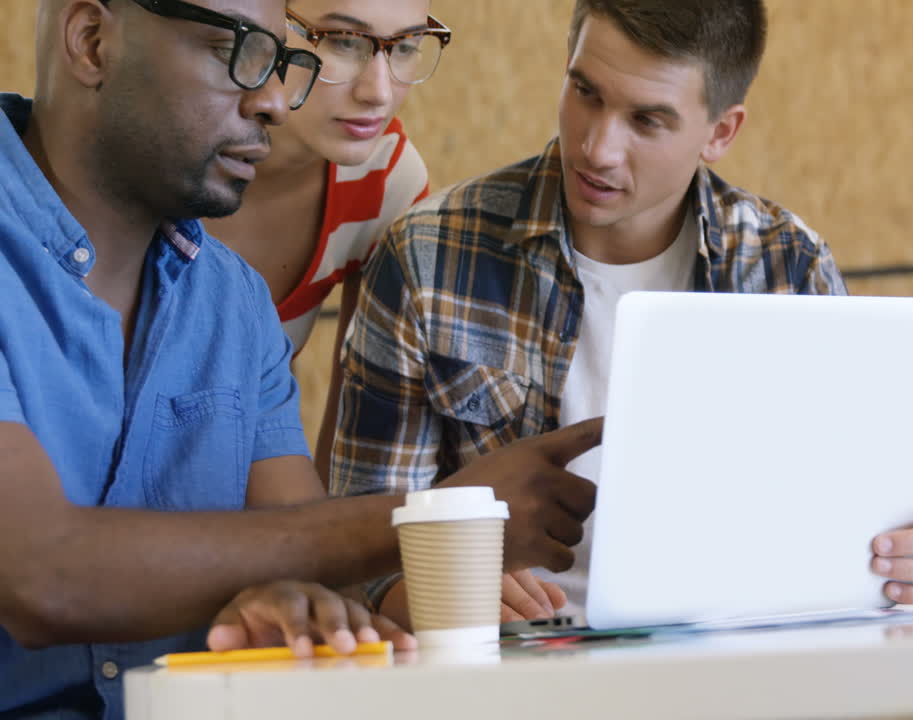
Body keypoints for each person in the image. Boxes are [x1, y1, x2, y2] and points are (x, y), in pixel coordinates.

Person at [0, 1, 597, 716]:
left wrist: (293, 606)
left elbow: (310, 557)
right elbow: (43, 574)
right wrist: (442, 517)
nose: (277, 100)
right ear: (92, 41)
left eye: (280, 60)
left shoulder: (237, 305)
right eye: (237, 52)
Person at [332, 0, 913, 625]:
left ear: (720, 132)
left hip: (730, 675)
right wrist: (432, 589)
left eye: (647, 121)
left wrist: (911, 570)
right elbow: (350, 543)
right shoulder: (429, 255)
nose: (597, 148)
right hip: (508, 677)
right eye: (585, 92)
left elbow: (843, 548)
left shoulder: (788, 267)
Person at [204, 0, 440, 486]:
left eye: (407, 46)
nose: (378, 92)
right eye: (343, 41)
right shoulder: (163, 151)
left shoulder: (385, 179)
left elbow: (349, 461)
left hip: (237, 515)